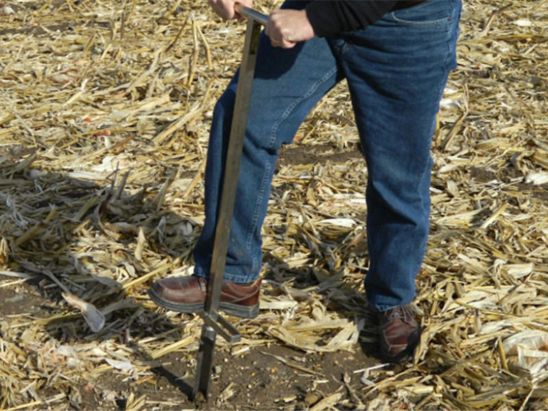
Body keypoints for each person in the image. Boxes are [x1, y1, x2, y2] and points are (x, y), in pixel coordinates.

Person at [149, 0, 462, 363]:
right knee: (244, 116)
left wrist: (315, 19)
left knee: (397, 171)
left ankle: (393, 299)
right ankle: (230, 275)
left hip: (406, 26)